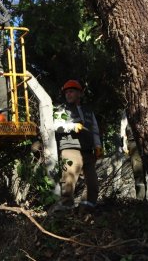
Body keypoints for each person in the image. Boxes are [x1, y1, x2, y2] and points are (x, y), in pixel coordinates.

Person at [52, 79, 103, 210]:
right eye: (66, 92)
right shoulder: (61, 110)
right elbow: (55, 126)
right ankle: (65, 212)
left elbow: (95, 130)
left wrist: (98, 146)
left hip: (87, 151)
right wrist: (71, 126)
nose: (68, 94)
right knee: (68, 183)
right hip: (70, 148)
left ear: (79, 93)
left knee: (93, 184)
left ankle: (86, 210)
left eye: (71, 92)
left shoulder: (88, 111)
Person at [120, 112, 148, 200]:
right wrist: (124, 144)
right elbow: (123, 127)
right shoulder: (126, 110)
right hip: (133, 141)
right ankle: (140, 199)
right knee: (138, 171)